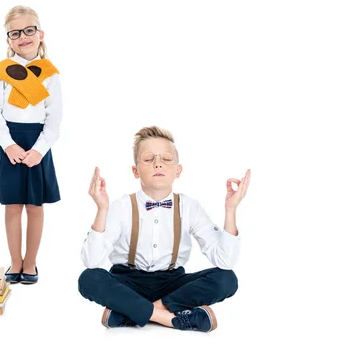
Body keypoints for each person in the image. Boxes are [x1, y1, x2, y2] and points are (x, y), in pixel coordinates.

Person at [78, 126, 251, 331]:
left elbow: (226, 261)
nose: (158, 163)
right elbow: (92, 261)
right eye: (149, 158)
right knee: (88, 279)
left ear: (178, 170)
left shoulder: (190, 207)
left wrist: (230, 210)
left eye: (166, 159)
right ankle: (171, 319)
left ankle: (133, 313)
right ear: (135, 170)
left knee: (227, 279)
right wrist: (102, 208)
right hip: (127, 282)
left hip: (172, 283)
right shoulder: (121, 206)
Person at [0, 5, 62, 285]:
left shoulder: (50, 73)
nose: (23, 37)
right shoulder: (1, 71)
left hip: (37, 144)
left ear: (40, 34)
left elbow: (55, 119)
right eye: (15, 33)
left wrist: (39, 151)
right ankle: (15, 262)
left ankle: (30, 263)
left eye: (29, 30)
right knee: (12, 206)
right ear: (9, 40)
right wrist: (9, 145)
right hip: (11, 143)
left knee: (35, 206)